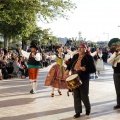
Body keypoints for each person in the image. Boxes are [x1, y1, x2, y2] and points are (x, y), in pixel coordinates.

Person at [65, 44, 96, 118]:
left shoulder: (89, 57)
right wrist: (67, 70)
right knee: (76, 95)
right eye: (79, 48)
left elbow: (93, 69)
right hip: (74, 77)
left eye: (82, 48)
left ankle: (88, 109)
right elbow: (70, 64)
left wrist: (85, 69)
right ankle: (78, 112)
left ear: (85, 49)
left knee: (84, 95)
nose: (80, 49)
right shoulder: (75, 56)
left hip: (83, 78)